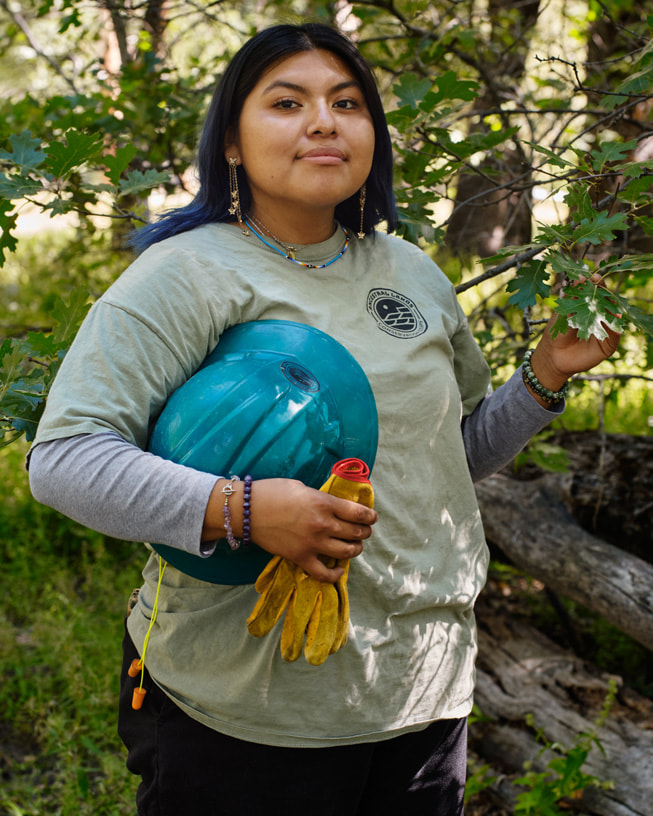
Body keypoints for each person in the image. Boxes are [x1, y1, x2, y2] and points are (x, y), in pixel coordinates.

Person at [27, 22, 620, 815]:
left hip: (419, 691)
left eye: (347, 102)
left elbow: (439, 463)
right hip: (247, 710)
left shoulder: (411, 272)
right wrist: (240, 510)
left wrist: (542, 377)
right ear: (231, 143)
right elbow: (64, 460)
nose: (322, 121)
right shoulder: (186, 274)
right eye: (286, 102)